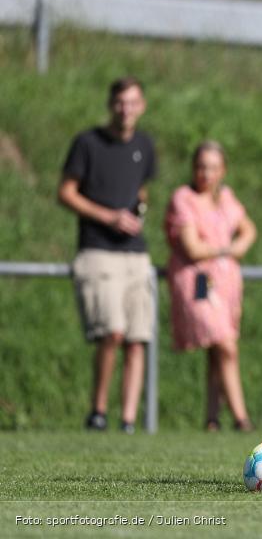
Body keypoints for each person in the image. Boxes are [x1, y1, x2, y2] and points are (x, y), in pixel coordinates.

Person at [58, 77, 157, 434]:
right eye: (120, 102)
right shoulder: (87, 143)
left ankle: (128, 420)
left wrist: (137, 211)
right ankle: (98, 412)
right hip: (98, 251)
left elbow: (141, 188)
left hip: (135, 255)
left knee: (136, 337)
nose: (126, 109)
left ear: (142, 106)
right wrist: (109, 216)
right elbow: (66, 192)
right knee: (112, 333)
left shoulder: (145, 146)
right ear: (110, 104)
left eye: (132, 102)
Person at [164, 141, 257, 432]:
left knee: (218, 348)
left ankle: (212, 418)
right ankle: (242, 418)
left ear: (223, 170)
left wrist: (234, 247)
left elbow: (249, 229)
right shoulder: (184, 198)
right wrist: (227, 250)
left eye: (213, 168)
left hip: (226, 282)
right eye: (202, 167)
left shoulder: (226, 198)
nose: (207, 173)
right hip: (199, 281)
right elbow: (192, 248)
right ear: (193, 168)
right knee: (225, 343)